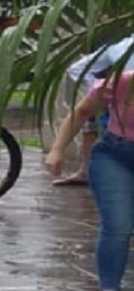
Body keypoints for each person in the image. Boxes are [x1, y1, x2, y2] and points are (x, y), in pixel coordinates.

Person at [47, 71, 134, 291]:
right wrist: (57, 150)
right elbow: (82, 111)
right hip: (116, 156)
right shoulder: (122, 82)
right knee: (118, 223)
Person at [53, 36, 134, 186]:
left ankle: (86, 171)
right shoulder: (117, 47)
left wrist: (98, 90)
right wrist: (101, 90)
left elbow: (77, 69)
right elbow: (78, 69)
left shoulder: (116, 47)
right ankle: (85, 171)